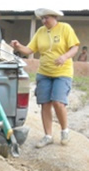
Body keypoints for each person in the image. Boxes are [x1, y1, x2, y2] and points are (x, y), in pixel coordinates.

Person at [10, 8, 80, 148]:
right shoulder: (40, 32)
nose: (43, 21)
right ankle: (48, 135)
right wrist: (18, 46)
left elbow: (74, 47)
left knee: (58, 102)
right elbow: (29, 50)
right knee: (45, 103)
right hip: (44, 72)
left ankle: (64, 130)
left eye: (46, 18)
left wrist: (64, 57)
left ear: (54, 17)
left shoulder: (65, 28)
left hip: (62, 72)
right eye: (42, 18)